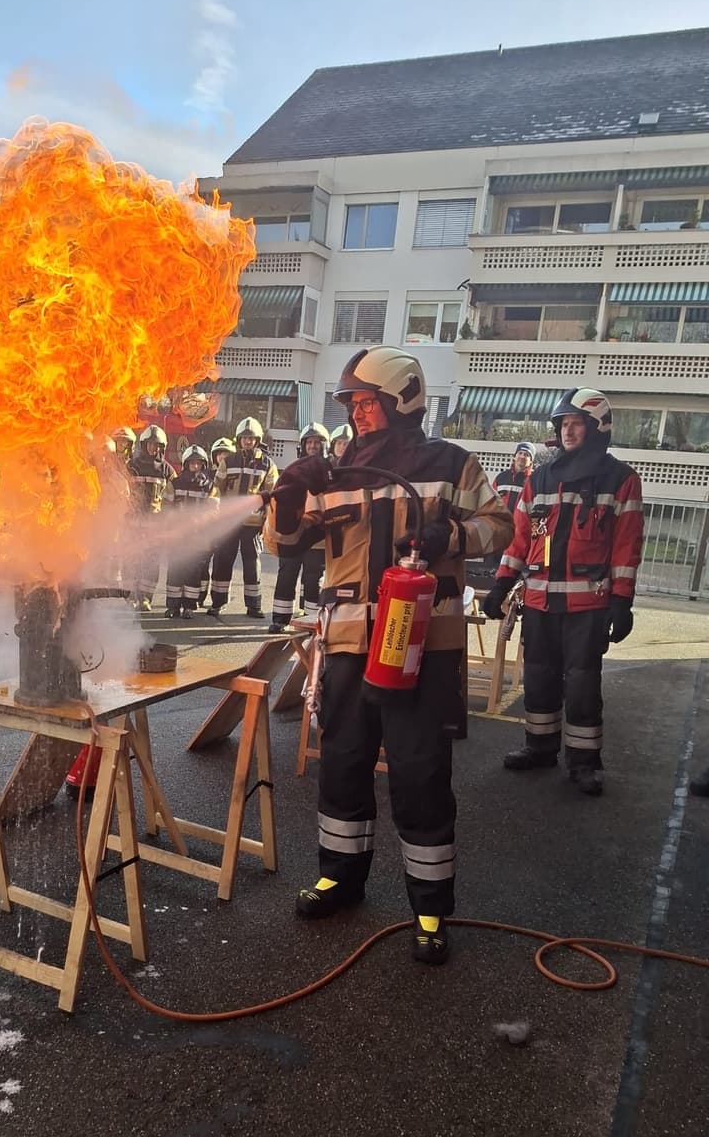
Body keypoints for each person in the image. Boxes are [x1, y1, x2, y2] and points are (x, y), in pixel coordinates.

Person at [266, 346, 512, 963]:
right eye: (352, 405)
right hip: (350, 645)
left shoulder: (449, 463)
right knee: (343, 762)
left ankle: (430, 908)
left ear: (403, 400)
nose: (357, 415)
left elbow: (500, 525)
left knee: (420, 773)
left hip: (421, 651)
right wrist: (289, 495)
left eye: (368, 403)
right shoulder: (336, 471)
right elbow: (284, 545)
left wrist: (449, 534)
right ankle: (340, 879)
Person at [482, 388, 643, 797]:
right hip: (539, 602)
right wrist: (500, 583)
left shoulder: (621, 480)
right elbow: (520, 540)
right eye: (563, 425)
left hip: (588, 605)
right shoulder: (540, 478)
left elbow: (627, 546)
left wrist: (622, 601)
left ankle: (585, 763)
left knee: (583, 685)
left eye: (576, 425)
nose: (568, 432)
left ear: (597, 428)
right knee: (539, 678)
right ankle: (539, 748)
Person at [210, 416, 277, 619]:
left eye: (251, 438)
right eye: (244, 438)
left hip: (253, 524)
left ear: (257, 440)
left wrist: (267, 520)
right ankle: (218, 603)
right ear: (238, 439)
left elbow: (272, 494)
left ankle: (254, 605)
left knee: (252, 563)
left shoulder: (267, 464)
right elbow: (216, 489)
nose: (247, 441)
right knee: (223, 561)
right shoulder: (228, 461)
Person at [269, 422, 329, 632]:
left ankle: (312, 620)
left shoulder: (329, 473)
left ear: (324, 445)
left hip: (317, 536)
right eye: (309, 442)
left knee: (313, 578)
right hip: (294, 534)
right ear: (302, 446)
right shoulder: (293, 472)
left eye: (316, 442)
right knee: (287, 573)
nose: (312, 446)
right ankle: (280, 619)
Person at [165, 443, 218, 618]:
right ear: (185, 464)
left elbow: (214, 511)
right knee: (175, 571)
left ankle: (189, 607)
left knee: (193, 573)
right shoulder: (175, 483)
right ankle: (173, 606)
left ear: (203, 465)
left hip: (198, 538)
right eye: (191, 463)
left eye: (198, 463)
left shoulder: (210, 486)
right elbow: (166, 507)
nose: (195, 466)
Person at [126, 425, 174, 611]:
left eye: (157, 445)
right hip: (132, 521)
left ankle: (145, 597)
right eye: (151, 444)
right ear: (144, 444)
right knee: (130, 559)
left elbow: (172, 497)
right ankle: (130, 596)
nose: (154, 448)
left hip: (155, 524)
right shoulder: (132, 466)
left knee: (151, 562)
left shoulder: (167, 470)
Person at [493, 441, 534, 515]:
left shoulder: (535, 480)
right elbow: (490, 503)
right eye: (520, 453)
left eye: (526, 455)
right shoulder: (501, 478)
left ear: (531, 462)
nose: (522, 456)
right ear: (514, 457)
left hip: (522, 525)